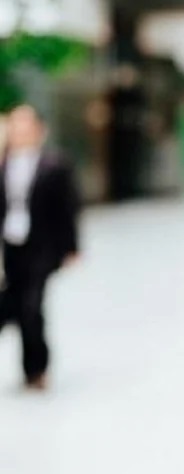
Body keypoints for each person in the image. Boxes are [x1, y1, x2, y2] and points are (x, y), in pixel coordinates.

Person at [0, 105, 81, 391]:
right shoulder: (4, 165)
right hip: (12, 244)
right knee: (16, 304)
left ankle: (37, 369)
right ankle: (30, 367)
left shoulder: (55, 165)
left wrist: (72, 246)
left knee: (32, 306)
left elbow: (68, 208)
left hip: (42, 247)